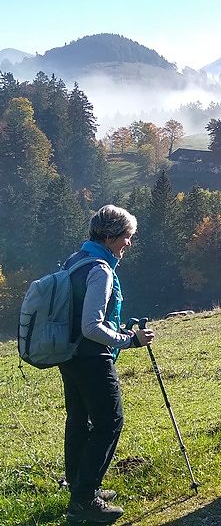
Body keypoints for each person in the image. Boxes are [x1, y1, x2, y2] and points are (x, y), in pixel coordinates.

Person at [60, 205, 155, 524]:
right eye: (127, 236)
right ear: (110, 236)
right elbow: (92, 326)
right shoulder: (100, 269)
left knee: (78, 420)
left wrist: (120, 332)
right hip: (92, 357)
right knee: (109, 422)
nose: (129, 242)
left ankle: (79, 486)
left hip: (70, 355)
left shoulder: (75, 260)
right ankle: (84, 501)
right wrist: (130, 340)